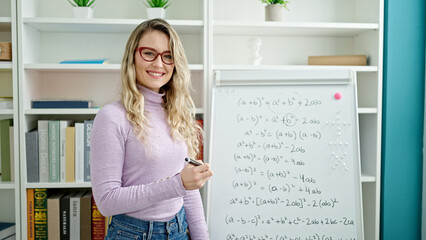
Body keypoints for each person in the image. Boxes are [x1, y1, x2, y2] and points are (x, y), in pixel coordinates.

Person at [90, 18, 213, 240]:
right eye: (149, 53)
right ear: (132, 57)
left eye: (168, 56)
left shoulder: (177, 113)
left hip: (178, 228)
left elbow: (188, 191)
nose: (159, 64)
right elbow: (106, 202)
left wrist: (202, 236)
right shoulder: (112, 117)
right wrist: (178, 184)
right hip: (132, 233)